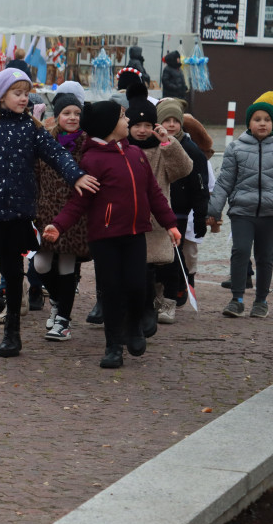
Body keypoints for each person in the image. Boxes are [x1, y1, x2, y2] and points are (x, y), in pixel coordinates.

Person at [0, 68, 98, 367]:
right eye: (18, 93)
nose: (24, 98)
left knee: (13, 271)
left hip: (17, 212)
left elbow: (57, 154)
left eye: (27, 93)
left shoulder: (31, 127)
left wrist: (76, 176)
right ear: (1, 96)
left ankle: (12, 333)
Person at [44, 101, 181, 369]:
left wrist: (170, 224)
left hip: (135, 234)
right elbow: (78, 202)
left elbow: (154, 193)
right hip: (104, 238)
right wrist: (58, 225)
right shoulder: (92, 160)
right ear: (109, 127)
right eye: (122, 117)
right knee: (111, 291)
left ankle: (134, 328)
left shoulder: (136, 155)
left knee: (136, 285)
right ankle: (113, 345)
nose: (128, 120)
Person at [122, 82, 191, 336]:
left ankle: (148, 308)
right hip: (126, 219)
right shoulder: (121, 148)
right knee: (128, 269)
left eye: (148, 126)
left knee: (149, 268)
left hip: (155, 220)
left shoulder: (161, 150)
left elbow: (183, 169)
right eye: (137, 125)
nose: (142, 131)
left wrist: (168, 142)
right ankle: (130, 310)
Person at [208, 92, 273, 318]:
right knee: (241, 251)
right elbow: (224, 181)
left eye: (267, 119)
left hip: (270, 214)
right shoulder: (235, 148)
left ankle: (261, 301)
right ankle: (236, 299)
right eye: (257, 119)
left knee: (265, 257)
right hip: (242, 212)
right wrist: (214, 210)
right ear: (249, 123)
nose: (262, 123)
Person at [33, 91, 91, 341]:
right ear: (57, 116)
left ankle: (63, 322)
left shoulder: (87, 144)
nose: (72, 117)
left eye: (77, 113)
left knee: (68, 266)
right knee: (41, 264)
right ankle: (57, 301)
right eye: (67, 113)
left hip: (74, 216)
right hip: (46, 213)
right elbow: (35, 174)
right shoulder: (46, 140)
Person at [155, 98, 209, 322]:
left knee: (173, 259)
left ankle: (170, 300)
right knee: (153, 258)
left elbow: (200, 187)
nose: (170, 125)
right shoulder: (151, 146)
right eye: (165, 120)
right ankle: (154, 296)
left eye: (175, 121)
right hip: (154, 212)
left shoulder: (191, 150)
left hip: (179, 213)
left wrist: (200, 215)